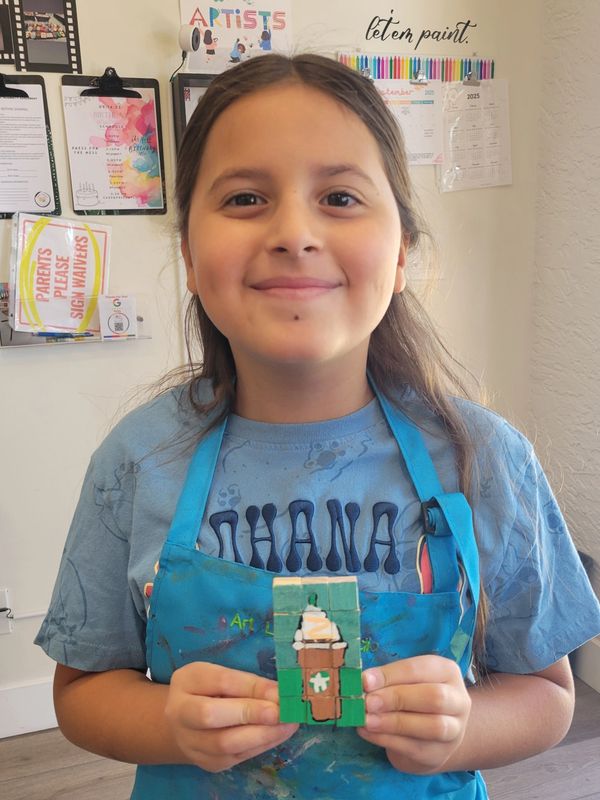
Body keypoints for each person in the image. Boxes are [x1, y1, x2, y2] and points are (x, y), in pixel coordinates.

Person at [35, 54, 600, 799]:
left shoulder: (486, 460)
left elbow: (550, 697)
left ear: (400, 252)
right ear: (189, 256)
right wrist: (170, 723)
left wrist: (459, 729)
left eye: (338, 196)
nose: (294, 231)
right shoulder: (138, 461)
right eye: (243, 198)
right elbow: (81, 693)